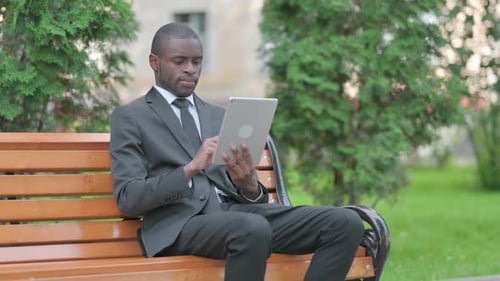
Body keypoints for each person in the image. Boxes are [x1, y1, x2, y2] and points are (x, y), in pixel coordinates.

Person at [109, 22, 364, 281]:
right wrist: (190, 169)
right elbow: (128, 199)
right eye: (180, 61)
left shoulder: (218, 115)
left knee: (345, 223)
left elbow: (249, 196)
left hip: (239, 216)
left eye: (197, 62)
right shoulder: (131, 117)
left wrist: (248, 185)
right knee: (251, 228)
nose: (190, 69)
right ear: (155, 62)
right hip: (180, 224)